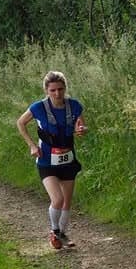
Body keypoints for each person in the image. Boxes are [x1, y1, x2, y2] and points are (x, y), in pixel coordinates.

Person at [17, 69, 86, 250]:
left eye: (60, 89)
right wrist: (32, 145)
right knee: (57, 199)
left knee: (67, 201)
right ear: (47, 91)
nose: (57, 93)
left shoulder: (74, 106)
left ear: (65, 89)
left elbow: (80, 125)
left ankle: (63, 234)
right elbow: (20, 123)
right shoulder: (38, 107)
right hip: (46, 160)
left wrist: (81, 130)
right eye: (53, 90)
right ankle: (54, 231)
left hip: (68, 159)